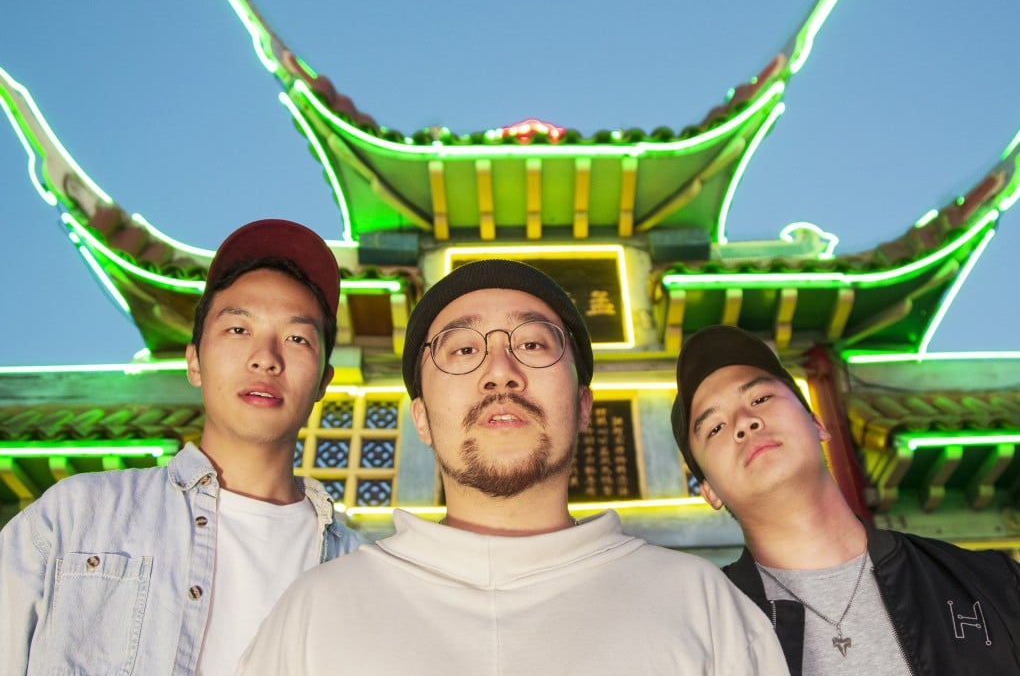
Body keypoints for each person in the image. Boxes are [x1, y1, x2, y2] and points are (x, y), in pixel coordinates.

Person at [237, 259, 789, 675]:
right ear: (422, 418)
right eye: (460, 351)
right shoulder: (319, 611)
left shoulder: (702, 605)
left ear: (582, 407)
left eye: (531, 343)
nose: (500, 373)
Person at [0, 218, 365, 675]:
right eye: (238, 330)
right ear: (194, 362)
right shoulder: (77, 519)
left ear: (323, 383)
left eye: (296, 338)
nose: (265, 357)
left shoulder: (363, 575)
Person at [671, 324, 1020, 676]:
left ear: (817, 423)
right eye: (714, 427)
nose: (744, 422)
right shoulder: (698, 640)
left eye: (759, 399)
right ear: (709, 490)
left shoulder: (991, 585)